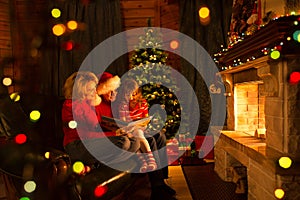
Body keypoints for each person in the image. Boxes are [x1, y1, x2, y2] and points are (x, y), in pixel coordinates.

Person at [95, 72, 176, 199]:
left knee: (160, 136)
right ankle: (157, 187)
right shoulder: (99, 103)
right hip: (122, 134)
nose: (112, 94)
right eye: (108, 91)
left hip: (132, 129)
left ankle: (162, 180)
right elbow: (100, 126)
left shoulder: (114, 99)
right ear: (101, 90)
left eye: (113, 91)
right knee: (151, 141)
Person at [61, 71, 140, 171]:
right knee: (123, 142)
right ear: (80, 90)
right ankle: (97, 165)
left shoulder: (91, 103)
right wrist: (114, 134)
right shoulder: (71, 105)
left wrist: (121, 130)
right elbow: (84, 135)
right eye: (90, 89)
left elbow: (98, 127)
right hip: (77, 144)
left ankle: (97, 165)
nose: (95, 91)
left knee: (135, 142)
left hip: (92, 141)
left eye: (94, 88)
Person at [114, 78, 157, 172]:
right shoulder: (122, 105)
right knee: (132, 138)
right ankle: (143, 163)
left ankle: (151, 160)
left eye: (133, 94)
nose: (131, 98)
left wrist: (140, 125)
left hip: (140, 129)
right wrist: (129, 130)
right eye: (127, 95)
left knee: (138, 133)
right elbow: (123, 123)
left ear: (137, 93)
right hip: (128, 130)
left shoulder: (142, 102)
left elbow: (145, 120)